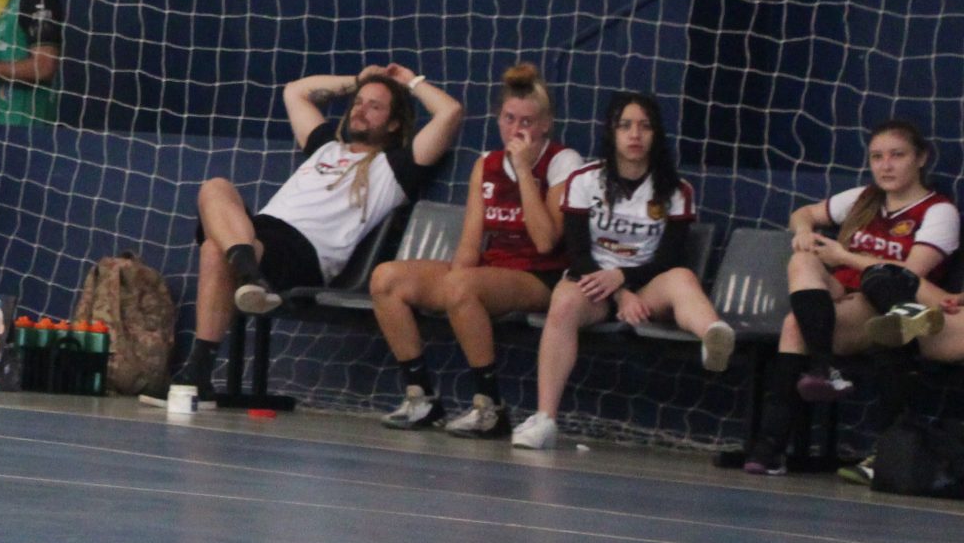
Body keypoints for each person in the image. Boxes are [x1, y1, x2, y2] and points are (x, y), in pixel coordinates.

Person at [175, 64, 465, 398]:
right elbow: (294, 91)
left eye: (375, 106)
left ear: (394, 123)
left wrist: (409, 81)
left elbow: (450, 112)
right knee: (215, 187)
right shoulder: (326, 145)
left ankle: (200, 364)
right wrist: (357, 80)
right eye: (359, 102)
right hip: (260, 234)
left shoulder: (397, 166)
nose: (361, 109)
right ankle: (249, 276)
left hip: (306, 252)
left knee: (215, 248)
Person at [368, 64, 582, 437]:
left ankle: (490, 406)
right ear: (498, 119)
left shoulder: (564, 162)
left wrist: (524, 170)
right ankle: (421, 397)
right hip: (489, 270)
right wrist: (451, 284)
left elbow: (547, 240)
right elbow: (469, 243)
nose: (518, 130)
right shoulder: (486, 165)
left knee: (462, 286)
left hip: (540, 276)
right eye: (510, 119)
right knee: (387, 278)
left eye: (528, 121)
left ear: (546, 124)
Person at [514, 91, 732, 451]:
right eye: (626, 126)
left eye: (644, 127)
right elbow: (579, 254)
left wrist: (628, 281)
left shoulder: (676, 190)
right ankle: (545, 419)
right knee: (564, 301)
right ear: (611, 133)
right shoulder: (584, 180)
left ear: (656, 134)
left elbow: (669, 259)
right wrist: (617, 291)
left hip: (646, 284)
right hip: (595, 283)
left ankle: (713, 335)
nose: (635, 135)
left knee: (684, 279)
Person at [743, 119, 956, 474]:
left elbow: (908, 272)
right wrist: (805, 232)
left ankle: (769, 445)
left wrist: (845, 257)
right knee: (802, 260)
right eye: (877, 157)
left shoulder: (939, 210)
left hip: (892, 302)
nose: (885, 165)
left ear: (921, 158)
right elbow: (803, 212)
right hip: (845, 295)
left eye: (897, 155)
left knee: (796, 324)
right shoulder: (863, 198)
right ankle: (823, 368)